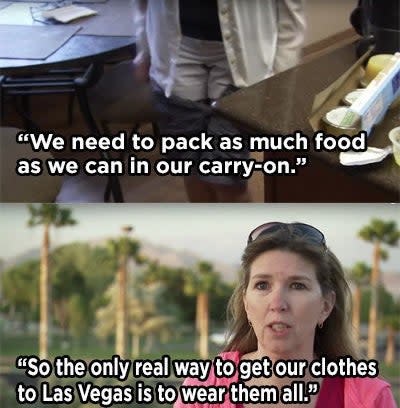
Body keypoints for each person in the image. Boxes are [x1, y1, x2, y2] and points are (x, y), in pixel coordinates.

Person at [174, 222, 397, 407]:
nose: (277, 303)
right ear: (246, 304)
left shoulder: (370, 398)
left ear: (325, 306)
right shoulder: (202, 389)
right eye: (262, 285)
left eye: (298, 286)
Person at [132, 1, 306, 202]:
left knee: (225, 179)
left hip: (247, 55)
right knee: (190, 167)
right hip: (173, 52)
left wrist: (280, 81)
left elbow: (290, 16)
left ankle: (243, 233)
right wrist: (143, 48)